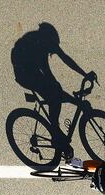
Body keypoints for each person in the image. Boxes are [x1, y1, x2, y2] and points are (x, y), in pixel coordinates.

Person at [11, 23, 95, 155]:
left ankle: (57, 130)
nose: (53, 50)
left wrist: (84, 74)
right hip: (24, 74)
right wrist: (73, 99)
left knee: (55, 90)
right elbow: (46, 71)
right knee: (54, 95)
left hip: (31, 69)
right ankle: (55, 132)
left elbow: (65, 58)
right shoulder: (38, 44)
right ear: (47, 39)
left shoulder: (46, 40)